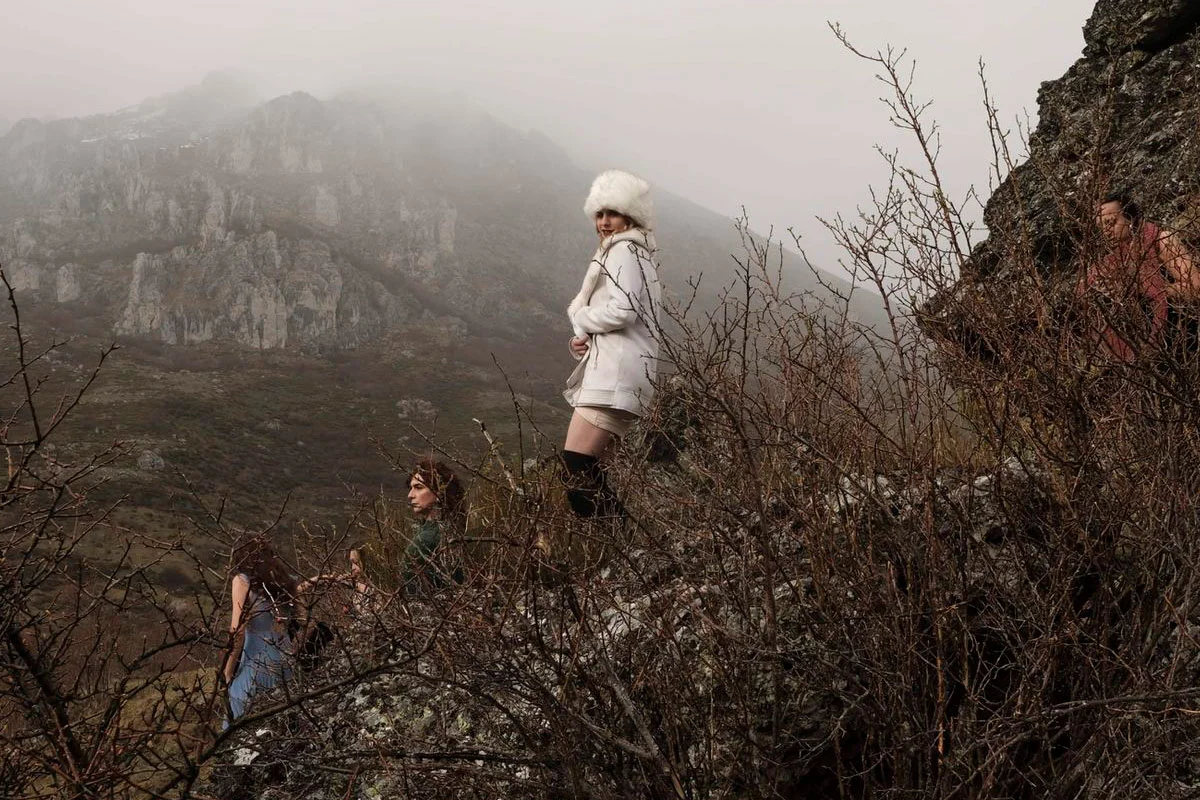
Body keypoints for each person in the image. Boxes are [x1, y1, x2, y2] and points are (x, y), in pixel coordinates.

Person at [561, 170, 663, 518]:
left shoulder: (623, 250)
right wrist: (586, 338)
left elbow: (624, 310)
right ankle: (633, 551)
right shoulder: (633, 252)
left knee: (576, 471)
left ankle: (633, 549)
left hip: (615, 375)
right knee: (595, 476)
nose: (604, 222)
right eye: (600, 214)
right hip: (621, 369)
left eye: (613, 214)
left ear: (629, 217)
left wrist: (583, 317)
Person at [1080, 193, 1199, 361]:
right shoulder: (1117, 258)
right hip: (1153, 346)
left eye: (1111, 223)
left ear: (1130, 218)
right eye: (1102, 228)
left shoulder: (1162, 240)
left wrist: (1150, 290)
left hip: (1185, 332)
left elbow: (1195, 287)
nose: (1106, 232)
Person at [351, 459, 465, 595]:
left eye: (418, 487)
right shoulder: (453, 527)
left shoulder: (427, 539)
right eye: (411, 488)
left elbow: (407, 597)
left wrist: (360, 584)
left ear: (439, 491)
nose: (410, 495)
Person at [223, 535, 296, 723]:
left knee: (238, 726)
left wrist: (228, 671)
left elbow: (237, 630)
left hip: (257, 662)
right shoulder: (282, 582)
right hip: (287, 659)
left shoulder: (242, 581)